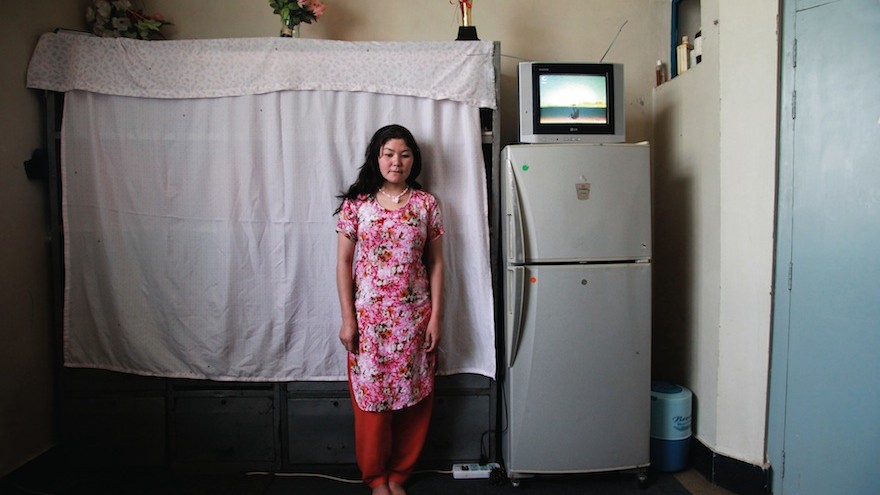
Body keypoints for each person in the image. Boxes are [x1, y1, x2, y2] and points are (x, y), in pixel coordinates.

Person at [334, 124, 445, 495]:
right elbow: (343, 264)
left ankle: (400, 475)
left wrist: (436, 318)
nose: (396, 162)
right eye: (388, 154)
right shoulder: (358, 204)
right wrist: (348, 319)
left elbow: (438, 264)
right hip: (369, 321)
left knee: (414, 398)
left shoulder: (426, 204)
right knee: (372, 402)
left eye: (404, 154)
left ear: (414, 159)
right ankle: (375, 477)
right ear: (376, 157)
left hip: (414, 320)